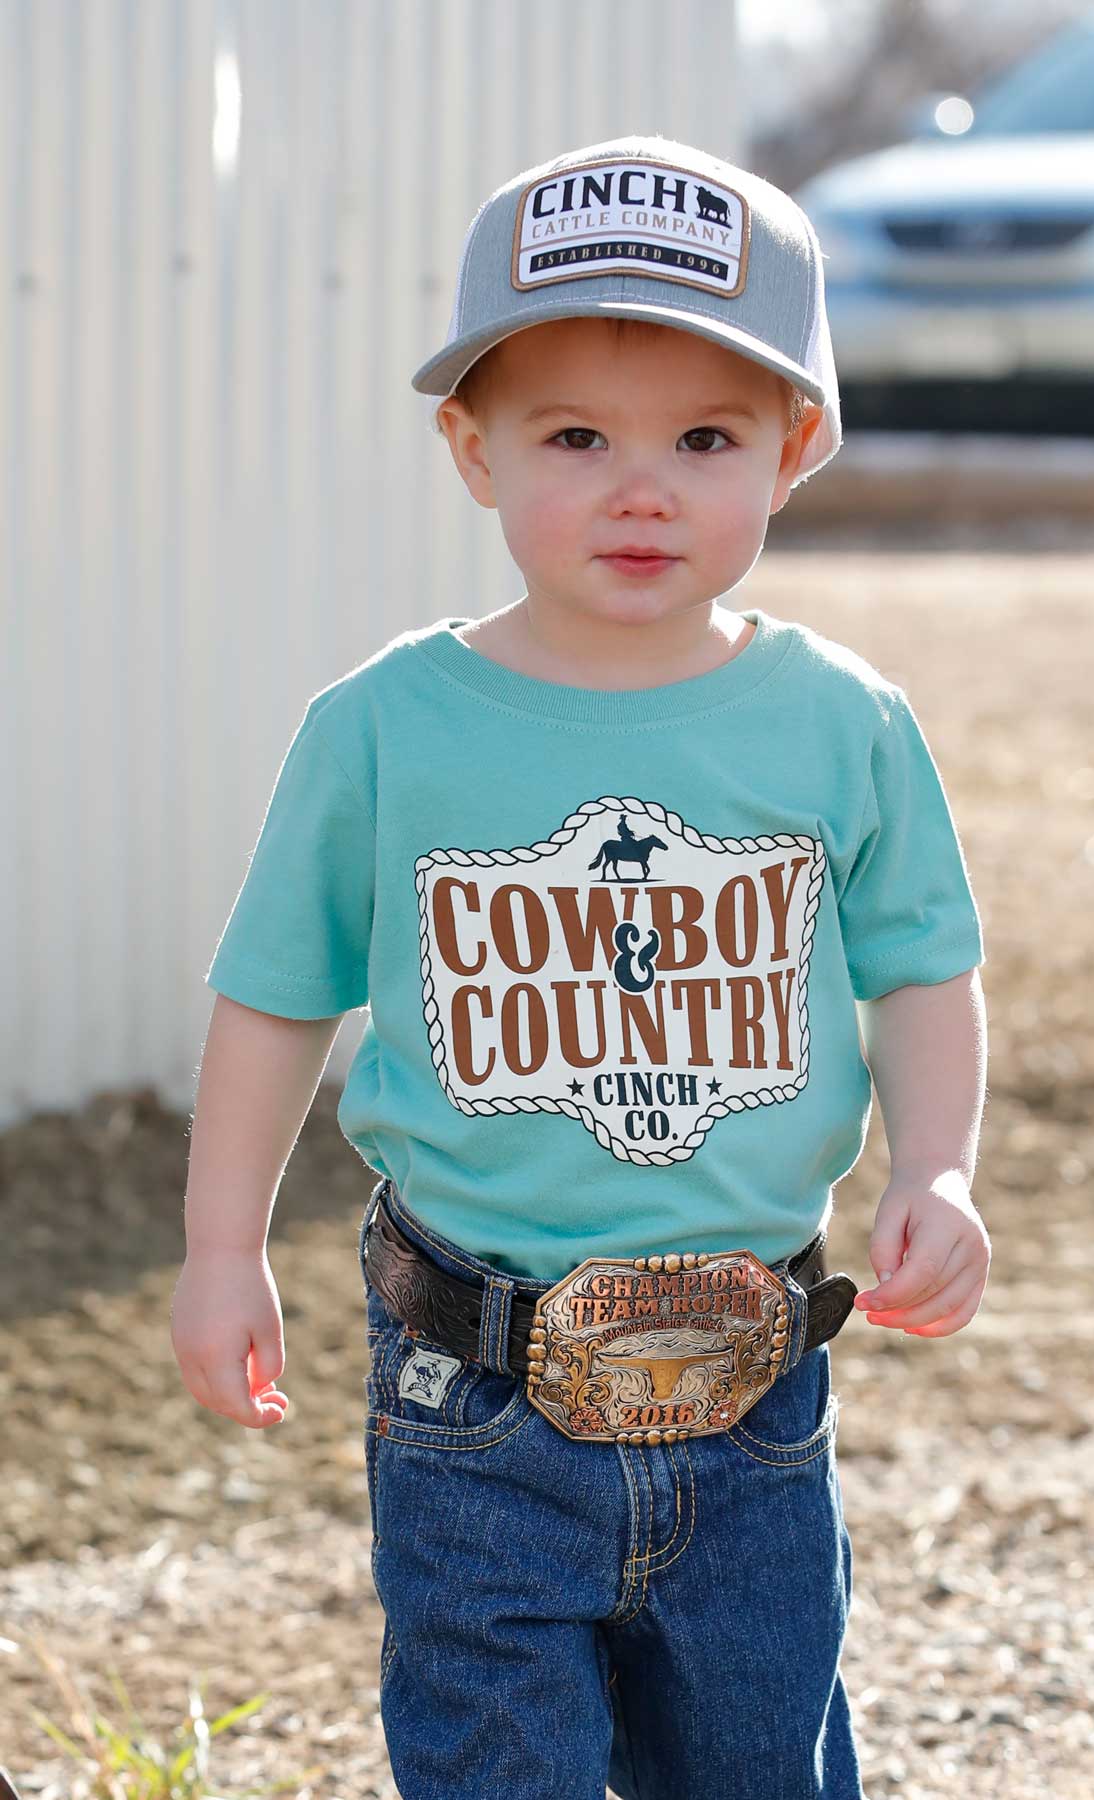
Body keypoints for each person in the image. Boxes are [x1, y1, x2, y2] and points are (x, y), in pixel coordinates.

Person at [172, 134, 990, 1800]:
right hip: (474, 1391)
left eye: (706, 437)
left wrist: (946, 1164)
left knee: (759, 1766)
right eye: (573, 437)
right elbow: (274, 994)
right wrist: (215, 1245)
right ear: (472, 450)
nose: (642, 488)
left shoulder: (842, 723)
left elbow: (922, 968)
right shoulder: (388, 727)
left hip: (754, 1388)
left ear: (797, 446)